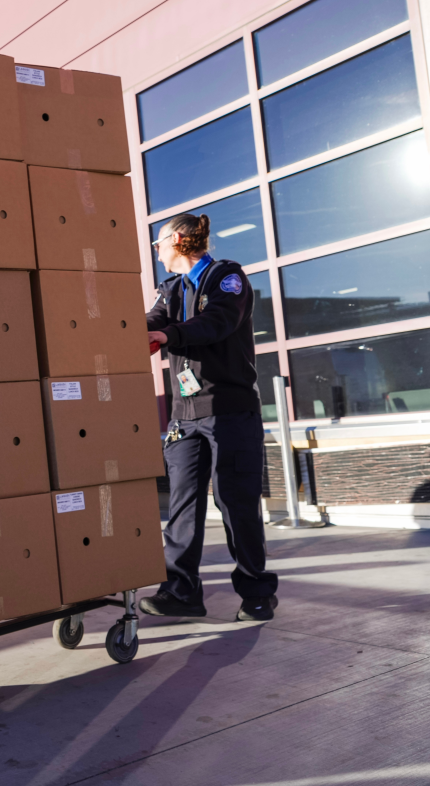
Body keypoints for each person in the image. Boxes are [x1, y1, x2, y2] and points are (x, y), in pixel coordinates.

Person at [141, 213, 279, 623]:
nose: (157, 252)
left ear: (179, 240)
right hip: (185, 416)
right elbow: (154, 321)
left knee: (235, 502)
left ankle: (256, 592)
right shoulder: (170, 289)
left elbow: (217, 322)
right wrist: (126, 331)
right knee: (182, 505)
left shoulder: (227, 277)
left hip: (229, 410)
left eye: (158, 244)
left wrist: (168, 336)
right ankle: (181, 591)